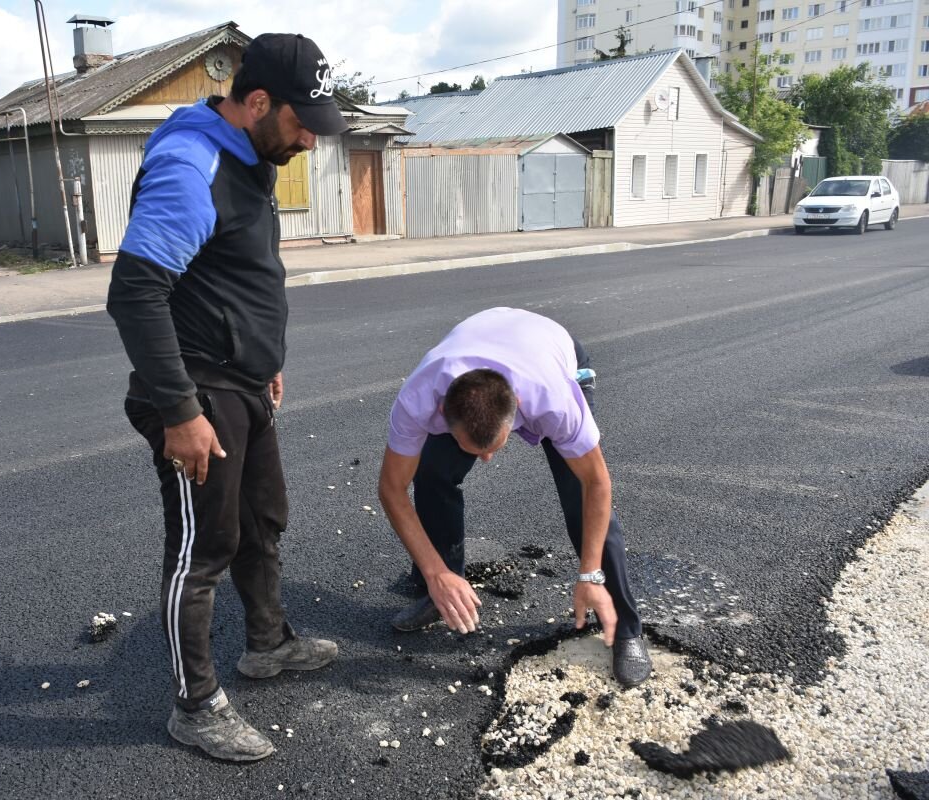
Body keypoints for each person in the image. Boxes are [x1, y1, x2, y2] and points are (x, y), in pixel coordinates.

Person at [106, 34, 348, 762]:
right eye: (302, 122)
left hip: (240, 381)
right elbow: (136, 292)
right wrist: (179, 412)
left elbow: (239, 271)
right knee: (203, 548)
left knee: (262, 520)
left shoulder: (253, 153)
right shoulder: (192, 163)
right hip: (195, 391)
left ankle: (267, 644)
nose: (310, 138)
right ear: (257, 101)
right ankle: (195, 704)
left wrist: (264, 359)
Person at [377, 307, 653, 688]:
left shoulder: (553, 400)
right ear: (442, 413)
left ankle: (626, 627)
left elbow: (597, 484)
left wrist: (589, 571)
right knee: (433, 474)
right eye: (474, 449)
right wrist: (434, 571)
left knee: (579, 495)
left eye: (495, 447)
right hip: (482, 352)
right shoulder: (419, 399)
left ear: (519, 410)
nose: (487, 459)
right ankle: (443, 589)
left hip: (547, 352)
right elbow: (391, 489)